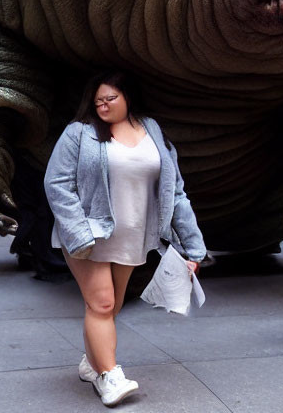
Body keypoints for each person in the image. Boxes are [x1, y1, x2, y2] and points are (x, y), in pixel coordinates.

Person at [44, 71, 206, 407]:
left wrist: (193, 246)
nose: (102, 105)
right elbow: (57, 183)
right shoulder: (80, 134)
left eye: (110, 98)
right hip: (90, 236)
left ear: (128, 97)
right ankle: (110, 376)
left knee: (110, 306)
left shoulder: (153, 131)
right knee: (102, 303)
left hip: (133, 235)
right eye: (98, 100)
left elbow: (175, 192)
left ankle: (91, 363)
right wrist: (79, 232)